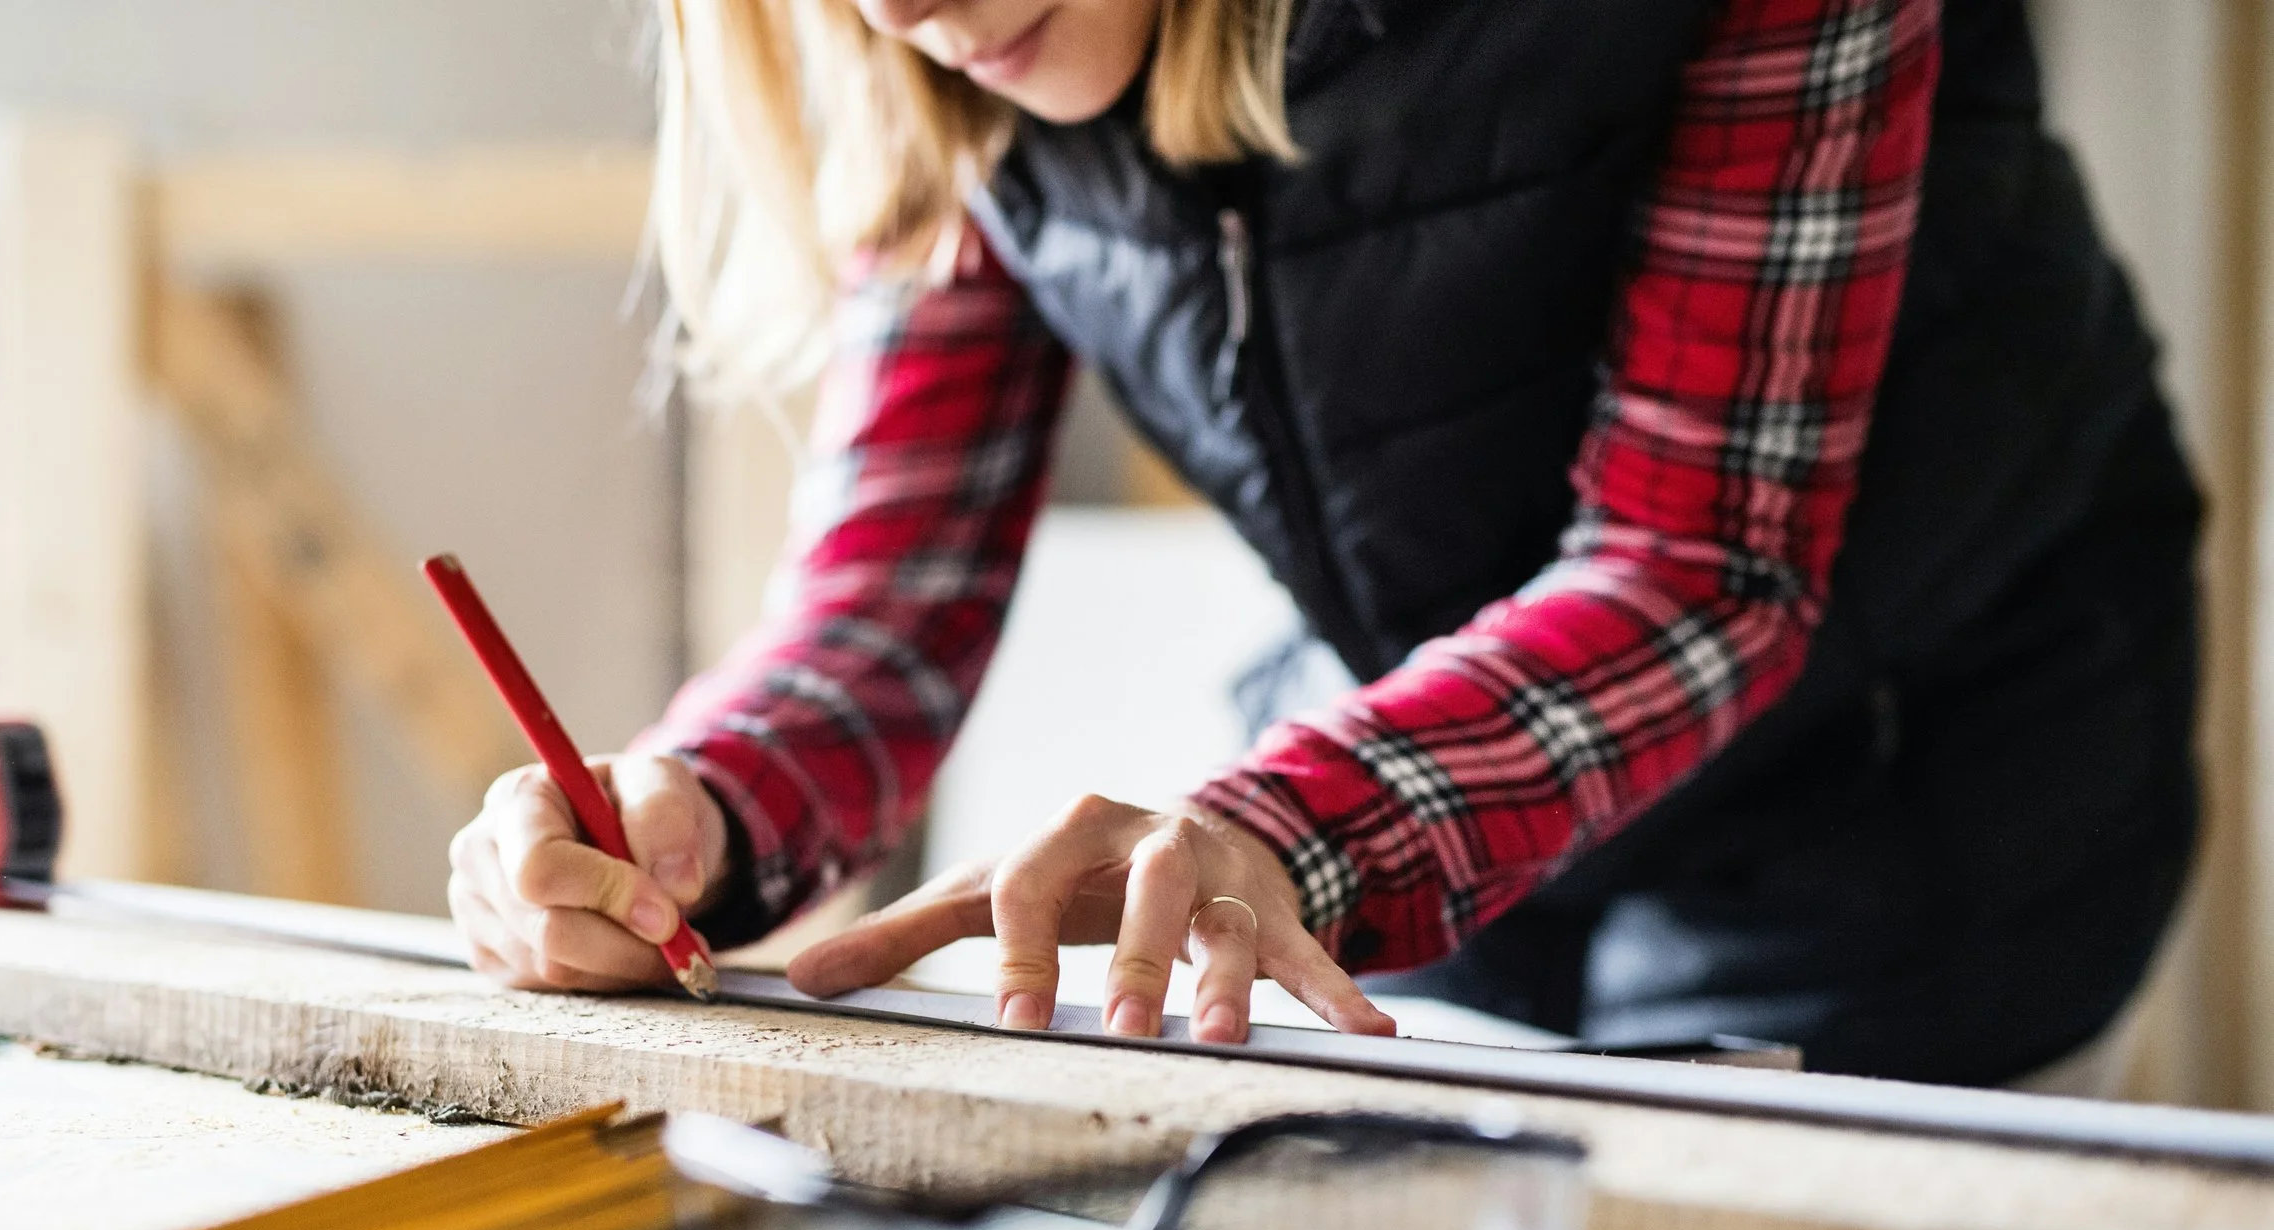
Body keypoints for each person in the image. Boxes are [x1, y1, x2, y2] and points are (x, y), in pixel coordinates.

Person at [447, 0, 2200, 1087]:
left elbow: (1695, 566)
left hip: (1928, 770)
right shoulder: (921, 42)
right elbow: (889, 602)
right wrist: (698, 806)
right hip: (1449, 754)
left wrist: (1289, 826)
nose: (897, 7)